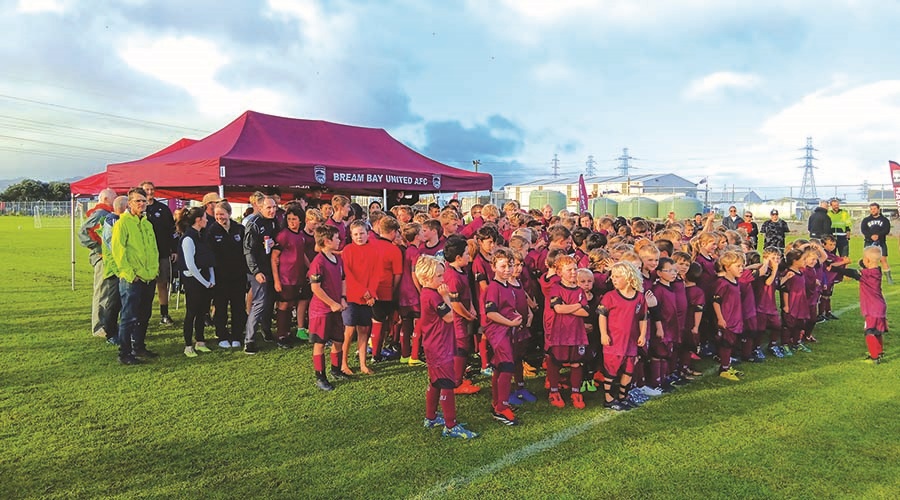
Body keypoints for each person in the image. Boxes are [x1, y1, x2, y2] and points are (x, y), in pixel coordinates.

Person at [417, 255, 479, 439]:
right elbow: (450, 317)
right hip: (439, 346)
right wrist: (446, 297)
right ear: (427, 278)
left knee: (436, 382)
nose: (443, 279)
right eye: (438, 276)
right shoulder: (433, 297)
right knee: (447, 384)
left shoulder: (428, 293)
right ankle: (451, 426)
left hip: (436, 343)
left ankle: (431, 417)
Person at [110, 187, 160, 365]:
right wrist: (130, 274)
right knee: (129, 316)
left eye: (144, 201)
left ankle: (138, 346)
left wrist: (154, 271)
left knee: (144, 315)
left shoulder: (147, 223)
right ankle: (124, 353)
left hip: (148, 276)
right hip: (133, 278)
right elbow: (118, 251)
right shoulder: (122, 223)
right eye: (138, 201)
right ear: (129, 203)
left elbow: (153, 249)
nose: (142, 204)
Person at [598, 262, 648, 411]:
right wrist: (604, 334)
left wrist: (643, 335)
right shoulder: (610, 296)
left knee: (629, 369)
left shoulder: (639, 297)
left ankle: (623, 396)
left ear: (628, 277)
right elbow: (602, 316)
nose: (614, 279)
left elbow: (643, 318)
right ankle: (608, 399)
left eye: (618, 276)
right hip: (614, 341)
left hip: (631, 341)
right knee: (611, 370)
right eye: (613, 276)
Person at [481, 248, 524, 424]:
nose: (507, 269)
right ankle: (501, 408)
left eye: (510, 265)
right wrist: (510, 322)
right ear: (493, 267)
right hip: (498, 332)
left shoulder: (508, 286)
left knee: (500, 367)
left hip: (506, 331)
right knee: (507, 367)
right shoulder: (493, 287)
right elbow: (491, 313)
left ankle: (497, 402)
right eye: (503, 266)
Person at [544, 254, 590, 409]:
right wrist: (577, 305)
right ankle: (554, 391)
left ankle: (576, 392)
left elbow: (586, 312)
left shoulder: (580, 290)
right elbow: (558, 308)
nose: (573, 272)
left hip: (577, 333)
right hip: (560, 331)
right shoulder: (556, 288)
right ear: (559, 272)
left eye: (575, 269)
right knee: (556, 361)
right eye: (569, 270)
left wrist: (569, 307)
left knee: (576, 363)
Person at [308, 225, 349, 390]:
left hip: (337, 308)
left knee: (339, 339)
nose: (339, 240)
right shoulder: (318, 262)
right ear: (327, 241)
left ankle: (336, 370)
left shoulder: (338, 259)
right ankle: (320, 377)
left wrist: (343, 298)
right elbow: (315, 288)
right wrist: (331, 303)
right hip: (321, 311)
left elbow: (343, 279)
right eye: (337, 238)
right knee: (320, 343)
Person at [176, 206, 215, 358]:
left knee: (202, 312)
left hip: (205, 279)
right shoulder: (188, 238)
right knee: (191, 313)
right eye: (205, 217)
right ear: (198, 220)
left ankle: (200, 341)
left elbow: (209, 259)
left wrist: (211, 279)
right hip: (193, 281)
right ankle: (188, 346)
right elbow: (190, 265)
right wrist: (205, 283)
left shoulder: (202, 235)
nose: (207, 220)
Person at [207, 200, 247, 349]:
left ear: (229, 214)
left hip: (238, 275)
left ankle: (237, 334)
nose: (219, 218)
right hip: (220, 276)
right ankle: (222, 335)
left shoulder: (239, 229)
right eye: (217, 215)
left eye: (222, 214)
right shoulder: (212, 231)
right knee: (221, 306)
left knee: (238, 306)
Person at [243, 196, 279, 354]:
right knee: (259, 302)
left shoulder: (273, 221)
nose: (272, 211)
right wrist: (256, 271)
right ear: (260, 207)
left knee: (269, 301)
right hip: (256, 270)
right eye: (269, 208)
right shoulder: (254, 224)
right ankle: (249, 340)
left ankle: (266, 331)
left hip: (270, 267)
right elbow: (248, 251)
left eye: (274, 207)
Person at [79, 187, 117, 338]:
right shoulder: (101, 213)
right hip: (102, 258)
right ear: (106, 199)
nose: (116, 200)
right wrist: (99, 248)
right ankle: (98, 326)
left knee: (107, 291)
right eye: (114, 197)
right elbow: (83, 232)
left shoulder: (105, 213)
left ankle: (106, 324)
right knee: (101, 291)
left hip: (106, 257)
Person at [138, 181, 177, 326]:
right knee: (144, 287)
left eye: (152, 189)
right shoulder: (137, 210)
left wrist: (174, 249)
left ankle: (164, 314)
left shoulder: (163, 209)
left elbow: (171, 231)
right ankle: (141, 316)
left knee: (162, 284)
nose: (149, 192)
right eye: (146, 189)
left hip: (162, 253)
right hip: (144, 256)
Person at [271, 204, 309, 348]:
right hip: (285, 276)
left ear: (301, 220)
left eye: (294, 219)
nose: (291, 222)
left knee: (292, 303)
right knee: (284, 304)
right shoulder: (283, 235)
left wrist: (310, 267)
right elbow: (274, 257)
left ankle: (287, 332)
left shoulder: (300, 235)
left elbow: (302, 253)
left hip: (297, 276)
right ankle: (281, 334)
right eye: (289, 219)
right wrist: (276, 280)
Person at [99, 195, 128, 346]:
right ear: (124, 207)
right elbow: (112, 250)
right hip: (115, 271)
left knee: (123, 303)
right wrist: (118, 270)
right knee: (114, 302)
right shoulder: (112, 222)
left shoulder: (119, 221)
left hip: (123, 269)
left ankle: (122, 331)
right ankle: (110, 332)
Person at [712, 251, 745, 381]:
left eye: (742, 266)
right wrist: (720, 318)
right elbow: (716, 301)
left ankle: (727, 365)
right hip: (727, 320)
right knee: (726, 344)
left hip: (735, 319)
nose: (741, 269)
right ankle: (724, 369)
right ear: (727, 267)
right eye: (738, 266)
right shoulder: (723, 283)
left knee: (731, 343)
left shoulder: (736, 282)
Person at [860, 202, 893, 284]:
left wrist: (878, 235)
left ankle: (889, 278)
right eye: (871, 209)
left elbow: (886, 230)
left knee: (883, 259)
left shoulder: (884, 220)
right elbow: (863, 230)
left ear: (878, 209)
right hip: (869, 242)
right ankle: (866, 277)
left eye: (874, 209)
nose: (873, 210)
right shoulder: (866, 220)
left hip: (881, 242)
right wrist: (870, 236)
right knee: (866, 260)